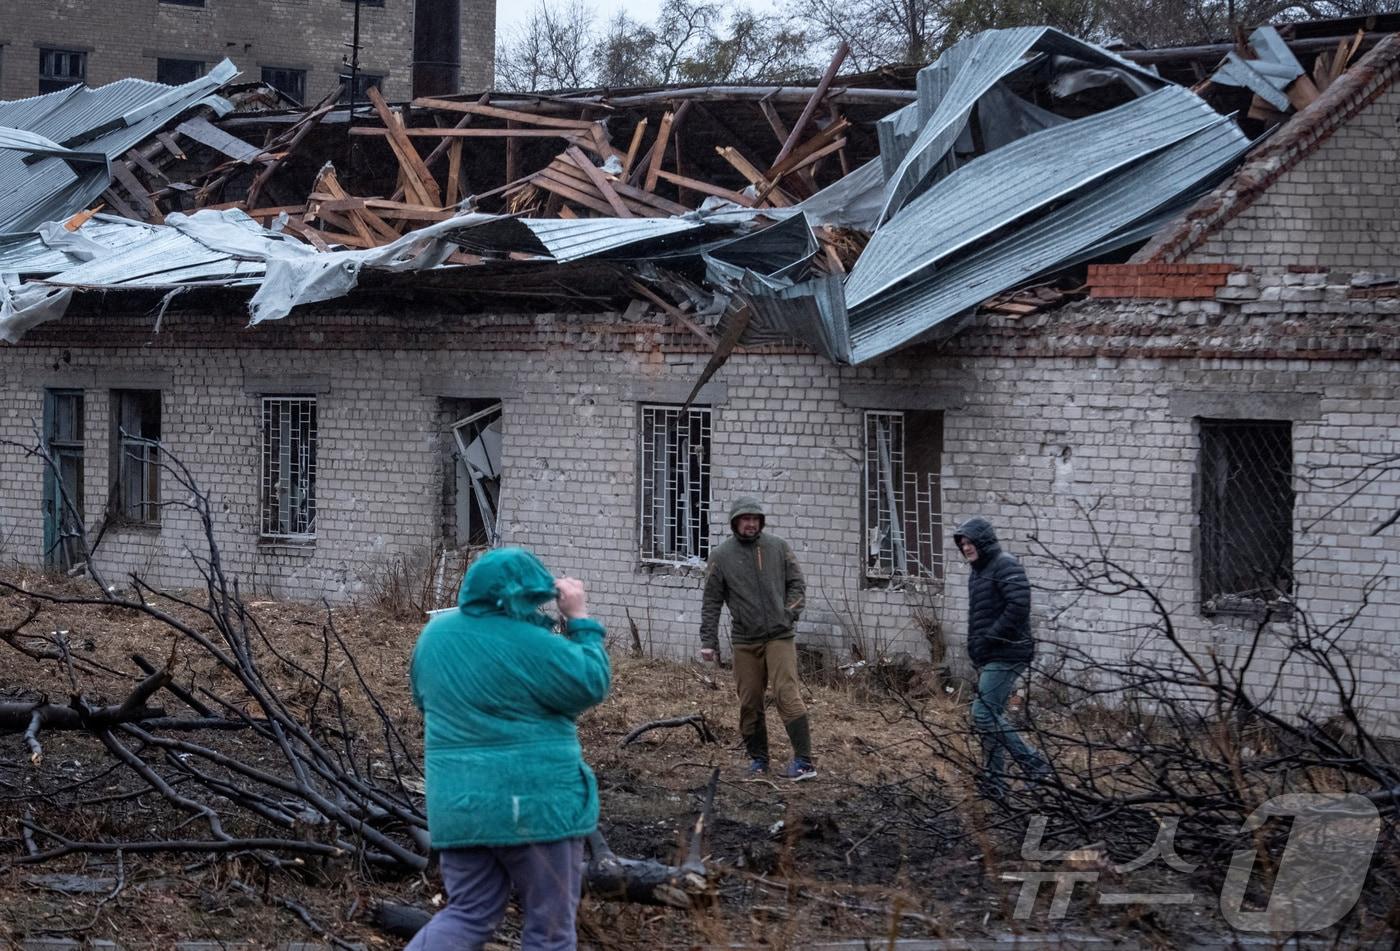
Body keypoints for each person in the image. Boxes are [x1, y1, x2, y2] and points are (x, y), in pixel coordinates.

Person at [407, 547, 611, 951]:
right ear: (526, 595)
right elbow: (592, 682)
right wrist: (579, 619)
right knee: (550, 931)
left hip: (459, 809)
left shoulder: (433, 637)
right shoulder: (534, 644)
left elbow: (421, 698)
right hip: (536, 808)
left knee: (467, 914)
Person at [700, 496, 815, 781]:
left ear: (760, 522)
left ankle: (804, 761)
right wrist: (708, 641)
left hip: (779, 636)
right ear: (735, 522)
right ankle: (759, 760)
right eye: (745, 519)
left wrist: (788, 614)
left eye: (755, 519)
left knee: (786, 693)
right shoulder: (721, 556)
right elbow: (712, 601)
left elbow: (797, 584)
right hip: (745, 640)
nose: (750, 524)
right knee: (749, 701)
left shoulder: (778, 547)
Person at [952, 517, 1049, 799]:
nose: (966, 548)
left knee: (983, 714)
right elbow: (980, 617)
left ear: (983, 541)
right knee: (991, 716)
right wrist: (977, 648)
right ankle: (995, 782)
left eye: (970, 542)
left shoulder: (1004, 565)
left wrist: (990, 638)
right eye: (963, 544)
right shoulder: (978, 572)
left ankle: (1035, 764)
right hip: (991, 653)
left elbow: (1019, 605)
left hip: (1009, 652)